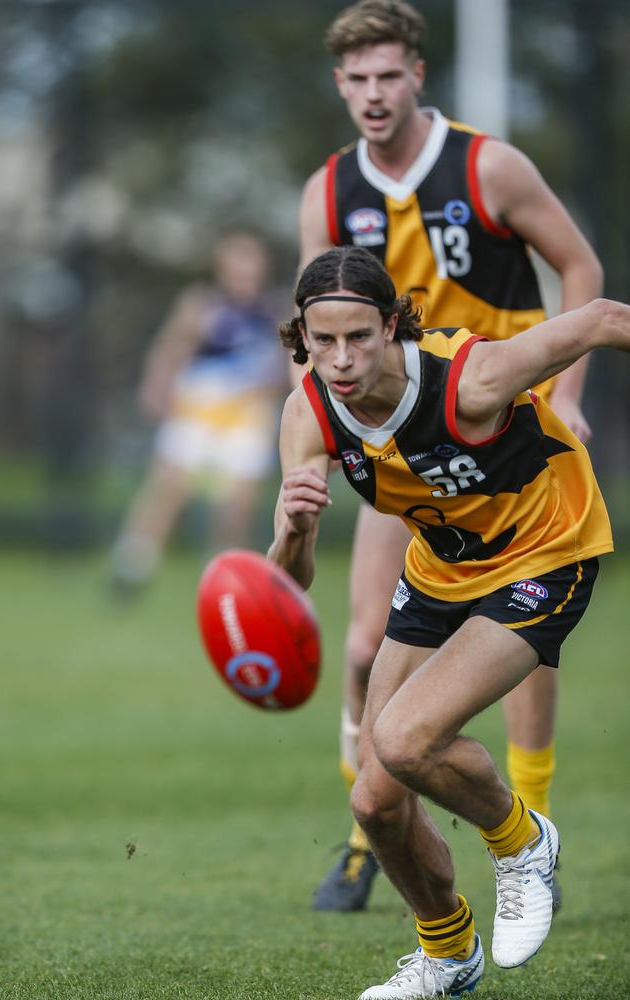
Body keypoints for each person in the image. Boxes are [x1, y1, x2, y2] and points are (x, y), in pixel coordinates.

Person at [298, 0, 604, 911]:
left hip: (500, 433)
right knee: (362, 642)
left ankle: (533, 833)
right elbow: (312, 329)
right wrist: (311, 437)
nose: (372, 94)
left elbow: (581, 271)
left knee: (523, 647)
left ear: (418, 75)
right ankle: (367, 831)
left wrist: (570, 399)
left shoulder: (489, 165)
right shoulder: (327, 190)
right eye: (355, 79)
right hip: (395, 442)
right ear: (341, 86)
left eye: (388, 75)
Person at [269, 245, 625, 999]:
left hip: (544, 555)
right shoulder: (307, 412)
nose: (339, 358)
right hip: (440, 571)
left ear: (394, 324)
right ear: (301, 333)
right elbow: (292, 580)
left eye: (359, 337)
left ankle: (522, 842)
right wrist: (292, 532)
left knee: (405, 737)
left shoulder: (473, 378)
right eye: (321, 339)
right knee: (373, 797)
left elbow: (598, 317)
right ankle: (447, 952)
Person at [110, 232, 285, 592]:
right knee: (168, 488)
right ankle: (132, 566)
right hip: (198, 408)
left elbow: (285, 367)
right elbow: (170, 349)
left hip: (247, 413)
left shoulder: (275, 311)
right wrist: (157, 389)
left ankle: (225, 577)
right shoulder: (202, 305)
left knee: (237, 502)